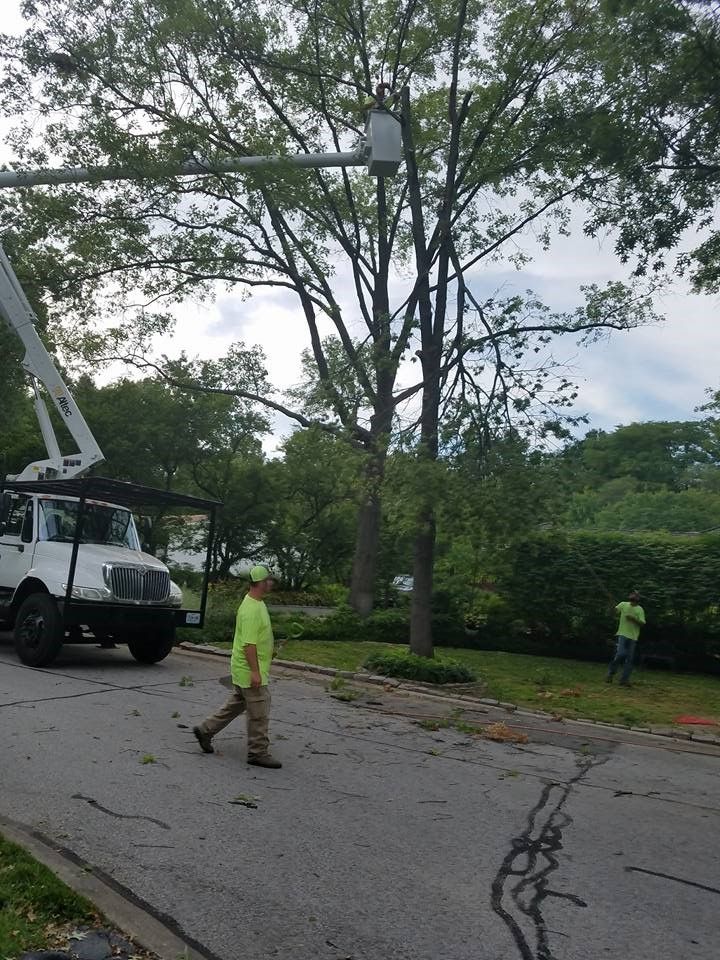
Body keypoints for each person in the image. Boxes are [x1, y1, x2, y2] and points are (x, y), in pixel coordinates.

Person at [193, 565, 282, 768]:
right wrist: (255, 672)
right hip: (248, 670)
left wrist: (269, 652)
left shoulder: (256, 602)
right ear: (260, 583)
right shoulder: (251, 609)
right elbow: (248, 645)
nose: (271, 583)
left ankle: (205, 730)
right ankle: (257, 752)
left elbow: (254, 640)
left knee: (237, 703)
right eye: (268, 580)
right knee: (259, 709)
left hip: (245, 669)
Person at [606, 590, 646, 686]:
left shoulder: (640, 609)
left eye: (636, 595)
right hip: (622, 634)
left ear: (638, 598)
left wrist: (633, 619)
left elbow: (642, 623)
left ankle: (624, 680)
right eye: (632, 593)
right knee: (620, 654)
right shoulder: (623, 604)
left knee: (629, 659)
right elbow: (613, 613)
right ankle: (610, 673)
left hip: (633, 637)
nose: (633, 595)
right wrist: (611, 602)